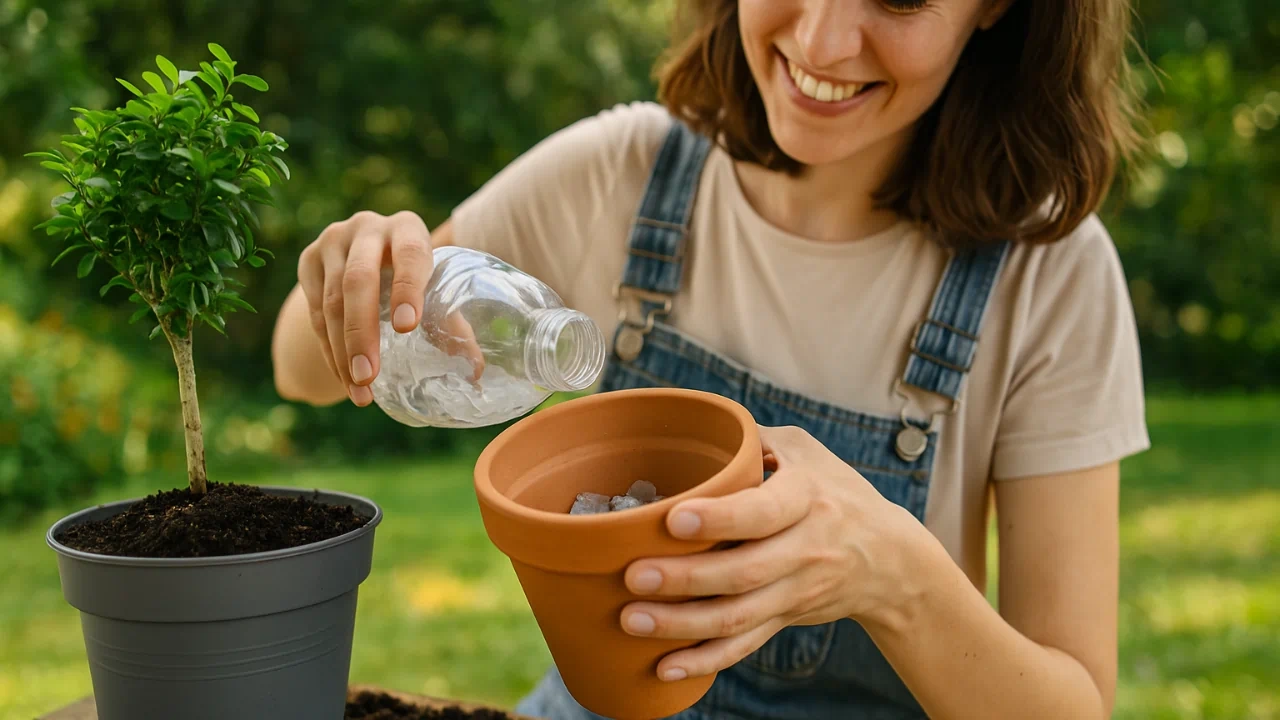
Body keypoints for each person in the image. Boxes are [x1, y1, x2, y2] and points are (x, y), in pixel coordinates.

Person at [270, 0, 1153, 716]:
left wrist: (894, 576)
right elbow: (298, 370)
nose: (822, 40)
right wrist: (358, 280)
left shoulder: (1051, 277)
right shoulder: (622, 172)